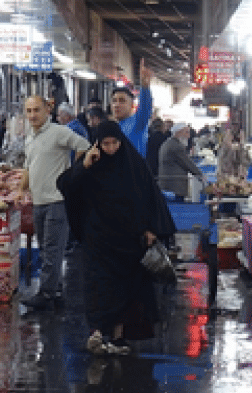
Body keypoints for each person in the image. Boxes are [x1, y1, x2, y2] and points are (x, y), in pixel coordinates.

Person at [58, 121, 175, 355]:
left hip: (128, 240)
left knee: (126, 290)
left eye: (115, 143)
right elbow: (65, 186)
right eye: (106, 144)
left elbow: (149, 196)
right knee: (98, 287)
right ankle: (97, 333)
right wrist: (84, 166)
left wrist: (151, 229)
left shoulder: (134, 165)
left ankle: (118, 337)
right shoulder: (90, 164)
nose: (111, 149)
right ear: (97, 144)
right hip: (97, 239)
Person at [20, 95, 90, 311]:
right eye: (29, 111)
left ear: (47, 111)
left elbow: (84, 145)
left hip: (57, 201)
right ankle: (55, 288)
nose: (32, 115)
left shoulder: (58, 132)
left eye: (36, 110)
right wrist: (21, 189)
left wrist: (74, 173)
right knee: (45, 249)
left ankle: (46, 293)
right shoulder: (30, 137)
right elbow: (29, 167)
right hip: (39, 201)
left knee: (52, 249)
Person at [111, 60, 155, 157]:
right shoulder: (112, 126)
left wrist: (145, 87)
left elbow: (145, 109)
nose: (116, 105)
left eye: (122, 101)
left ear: (132, 105)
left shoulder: (137, 123)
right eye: (114, 101)